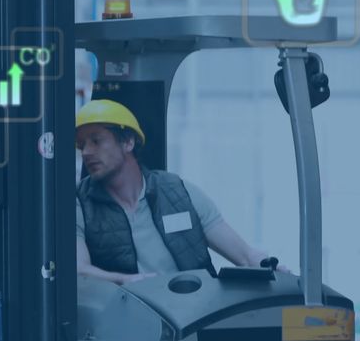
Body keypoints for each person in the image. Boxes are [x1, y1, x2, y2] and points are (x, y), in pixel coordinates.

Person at [74, 99, 287, 285]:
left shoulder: (178, 192)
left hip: (193, 318)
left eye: (96, 141)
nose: (86, 152)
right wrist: (124, 282)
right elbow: (78, 270)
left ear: (128, 142)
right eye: (82, 145)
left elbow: (245, 256)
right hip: (126, 322)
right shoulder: (79, 204)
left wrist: (271, 269)